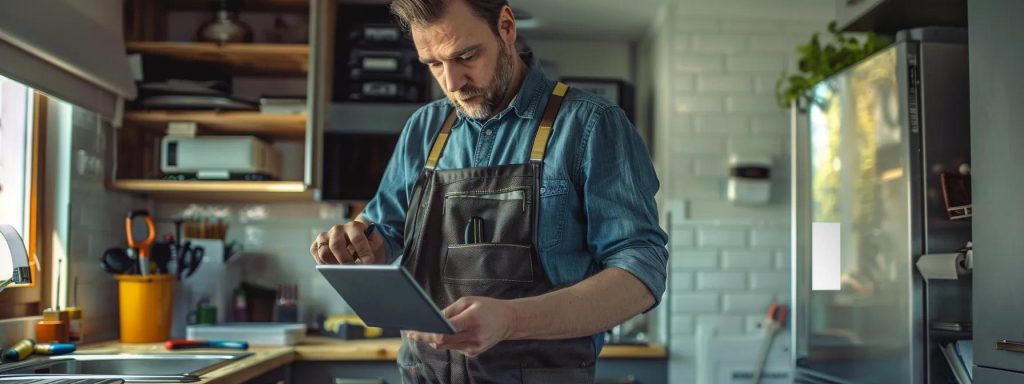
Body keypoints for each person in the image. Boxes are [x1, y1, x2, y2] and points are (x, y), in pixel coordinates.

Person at [309, 0, 669, 382]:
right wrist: (358, 242)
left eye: (465, 55)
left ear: (506, 27)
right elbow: (387, 232)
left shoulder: (591, 125)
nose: (451, 82)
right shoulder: (424, 128)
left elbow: (641, 273)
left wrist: (512, 320)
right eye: (433, 63)